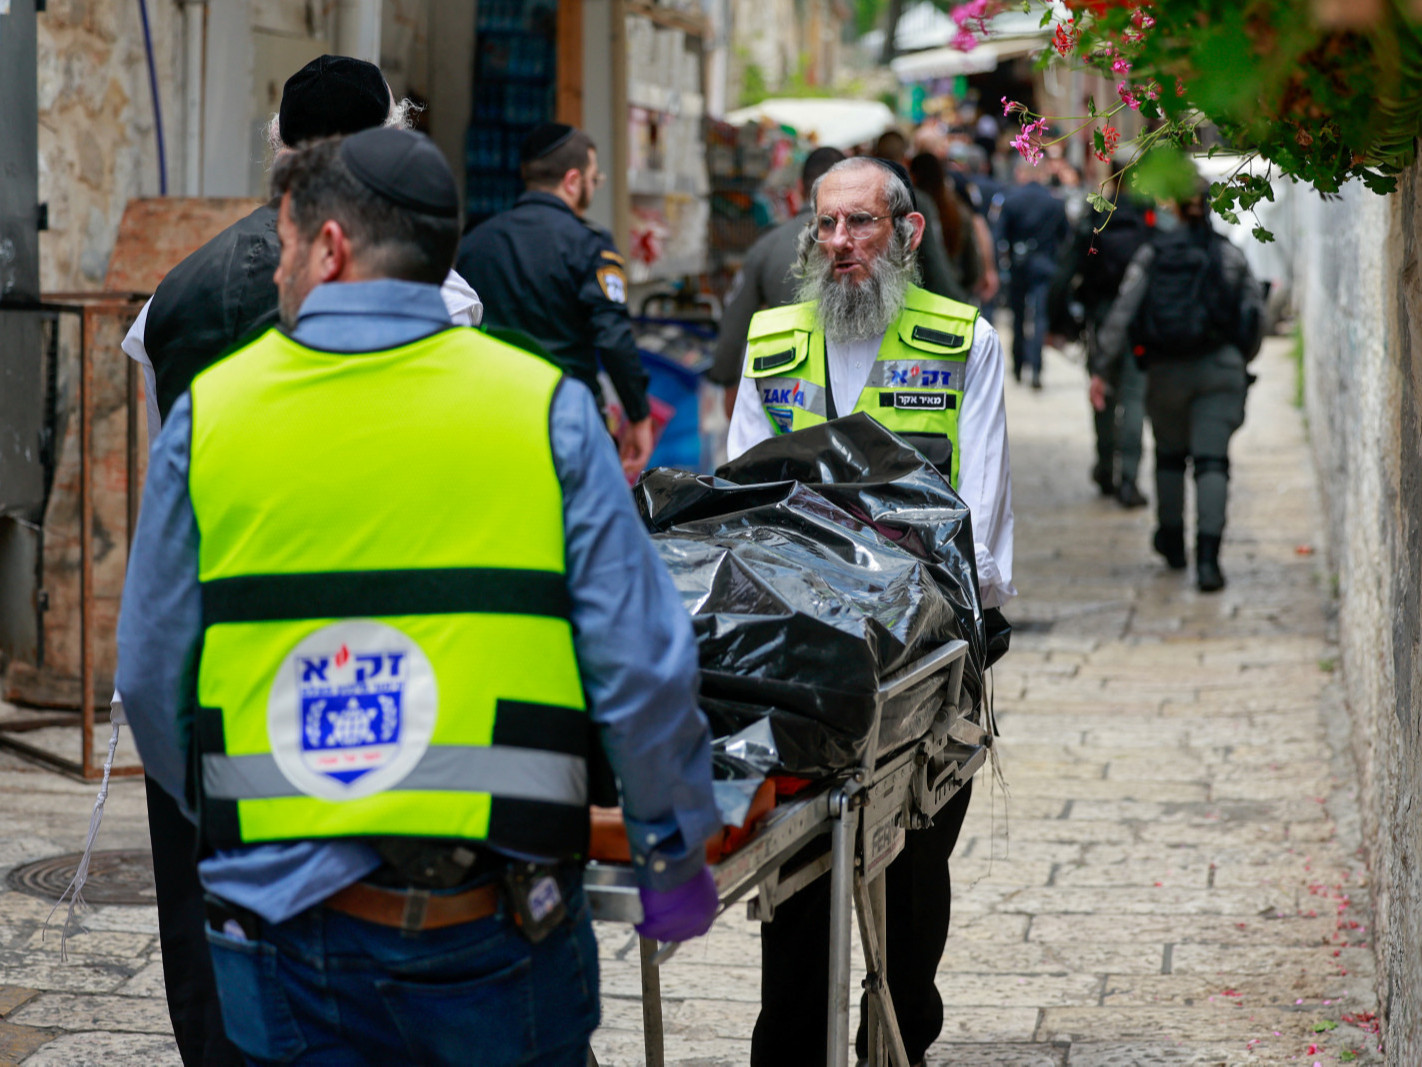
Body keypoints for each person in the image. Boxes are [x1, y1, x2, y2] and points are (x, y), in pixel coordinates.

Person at [116, 127, 722, 1064]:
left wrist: (243, 833)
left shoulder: (214, 414)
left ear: (330, 248)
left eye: (284, 240)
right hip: (492, 929)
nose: (276, 264)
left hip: (284, 943)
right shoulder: (545, 407)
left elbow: (154, 680)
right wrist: (672, 857)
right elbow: (641, 664)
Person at [114, 54, 481, 1067]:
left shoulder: (173, 298)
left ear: (279, 141)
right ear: (382, 142)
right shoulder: (433, 292)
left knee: (210, 933)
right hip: (372, 654)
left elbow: (164, 505)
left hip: (217, 657)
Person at [727, 155, 1014, 1067]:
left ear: (908, 230)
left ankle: (895, 1041)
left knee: (914, 875)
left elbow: (989, 531)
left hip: (925, 661)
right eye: (827, 226)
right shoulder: (772, 341)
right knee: (798, 879)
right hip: (803, 662)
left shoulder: (964, 340)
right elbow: (739, 504)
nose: (841, 243)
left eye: (861, 224)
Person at [456, 123, 654, 480]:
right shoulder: (590, 246)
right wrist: (639, 416)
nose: (594, 187)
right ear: (574, 181)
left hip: (491, 418)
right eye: (596, 179)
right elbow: (613, 338)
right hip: (568, 419)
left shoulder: (475, 242)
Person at [1094, 188, 1265, 592]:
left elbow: (1122, 312)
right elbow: (1254, 311)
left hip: (1165, 370)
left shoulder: (1153, 255)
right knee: (1212, 463)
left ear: (1171, 208)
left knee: (1169, 458)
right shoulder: (1228, 253)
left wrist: (1102, 366)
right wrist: (1240, 360)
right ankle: (1208, 562)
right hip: (1220, 369)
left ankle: (1171, 543)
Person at [708, 146, 845, 413]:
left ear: (798, 187)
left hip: (785, 393)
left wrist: (726, 380)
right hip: (856, 388)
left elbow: (735, 327)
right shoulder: (871, 245)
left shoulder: (768, 246)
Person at [1048, 182, 1155, 506]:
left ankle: (1106, 467)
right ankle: (1130, 480)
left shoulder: (1095, 224)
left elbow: (1063, 275)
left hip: (1100, 318)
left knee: (1101, 391)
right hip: (1139, 320)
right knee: (1134, 397)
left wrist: (1058, 323)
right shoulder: (1149, 225)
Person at [872, 130, 968, 304]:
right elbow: (934, 259)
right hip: (915, 298)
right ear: (905, 157)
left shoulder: (865, 197)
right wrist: (957, 299)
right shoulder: (919, 200)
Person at [997, 158, 1069, 388]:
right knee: (1039, 317)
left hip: (1019, 265)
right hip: (1045, 264)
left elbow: (1000, 235)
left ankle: (1019, 365)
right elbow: (1065, 235)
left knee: (1018, 317)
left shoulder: (1012, 200)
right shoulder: (1054, 202)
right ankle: (1037, 368)